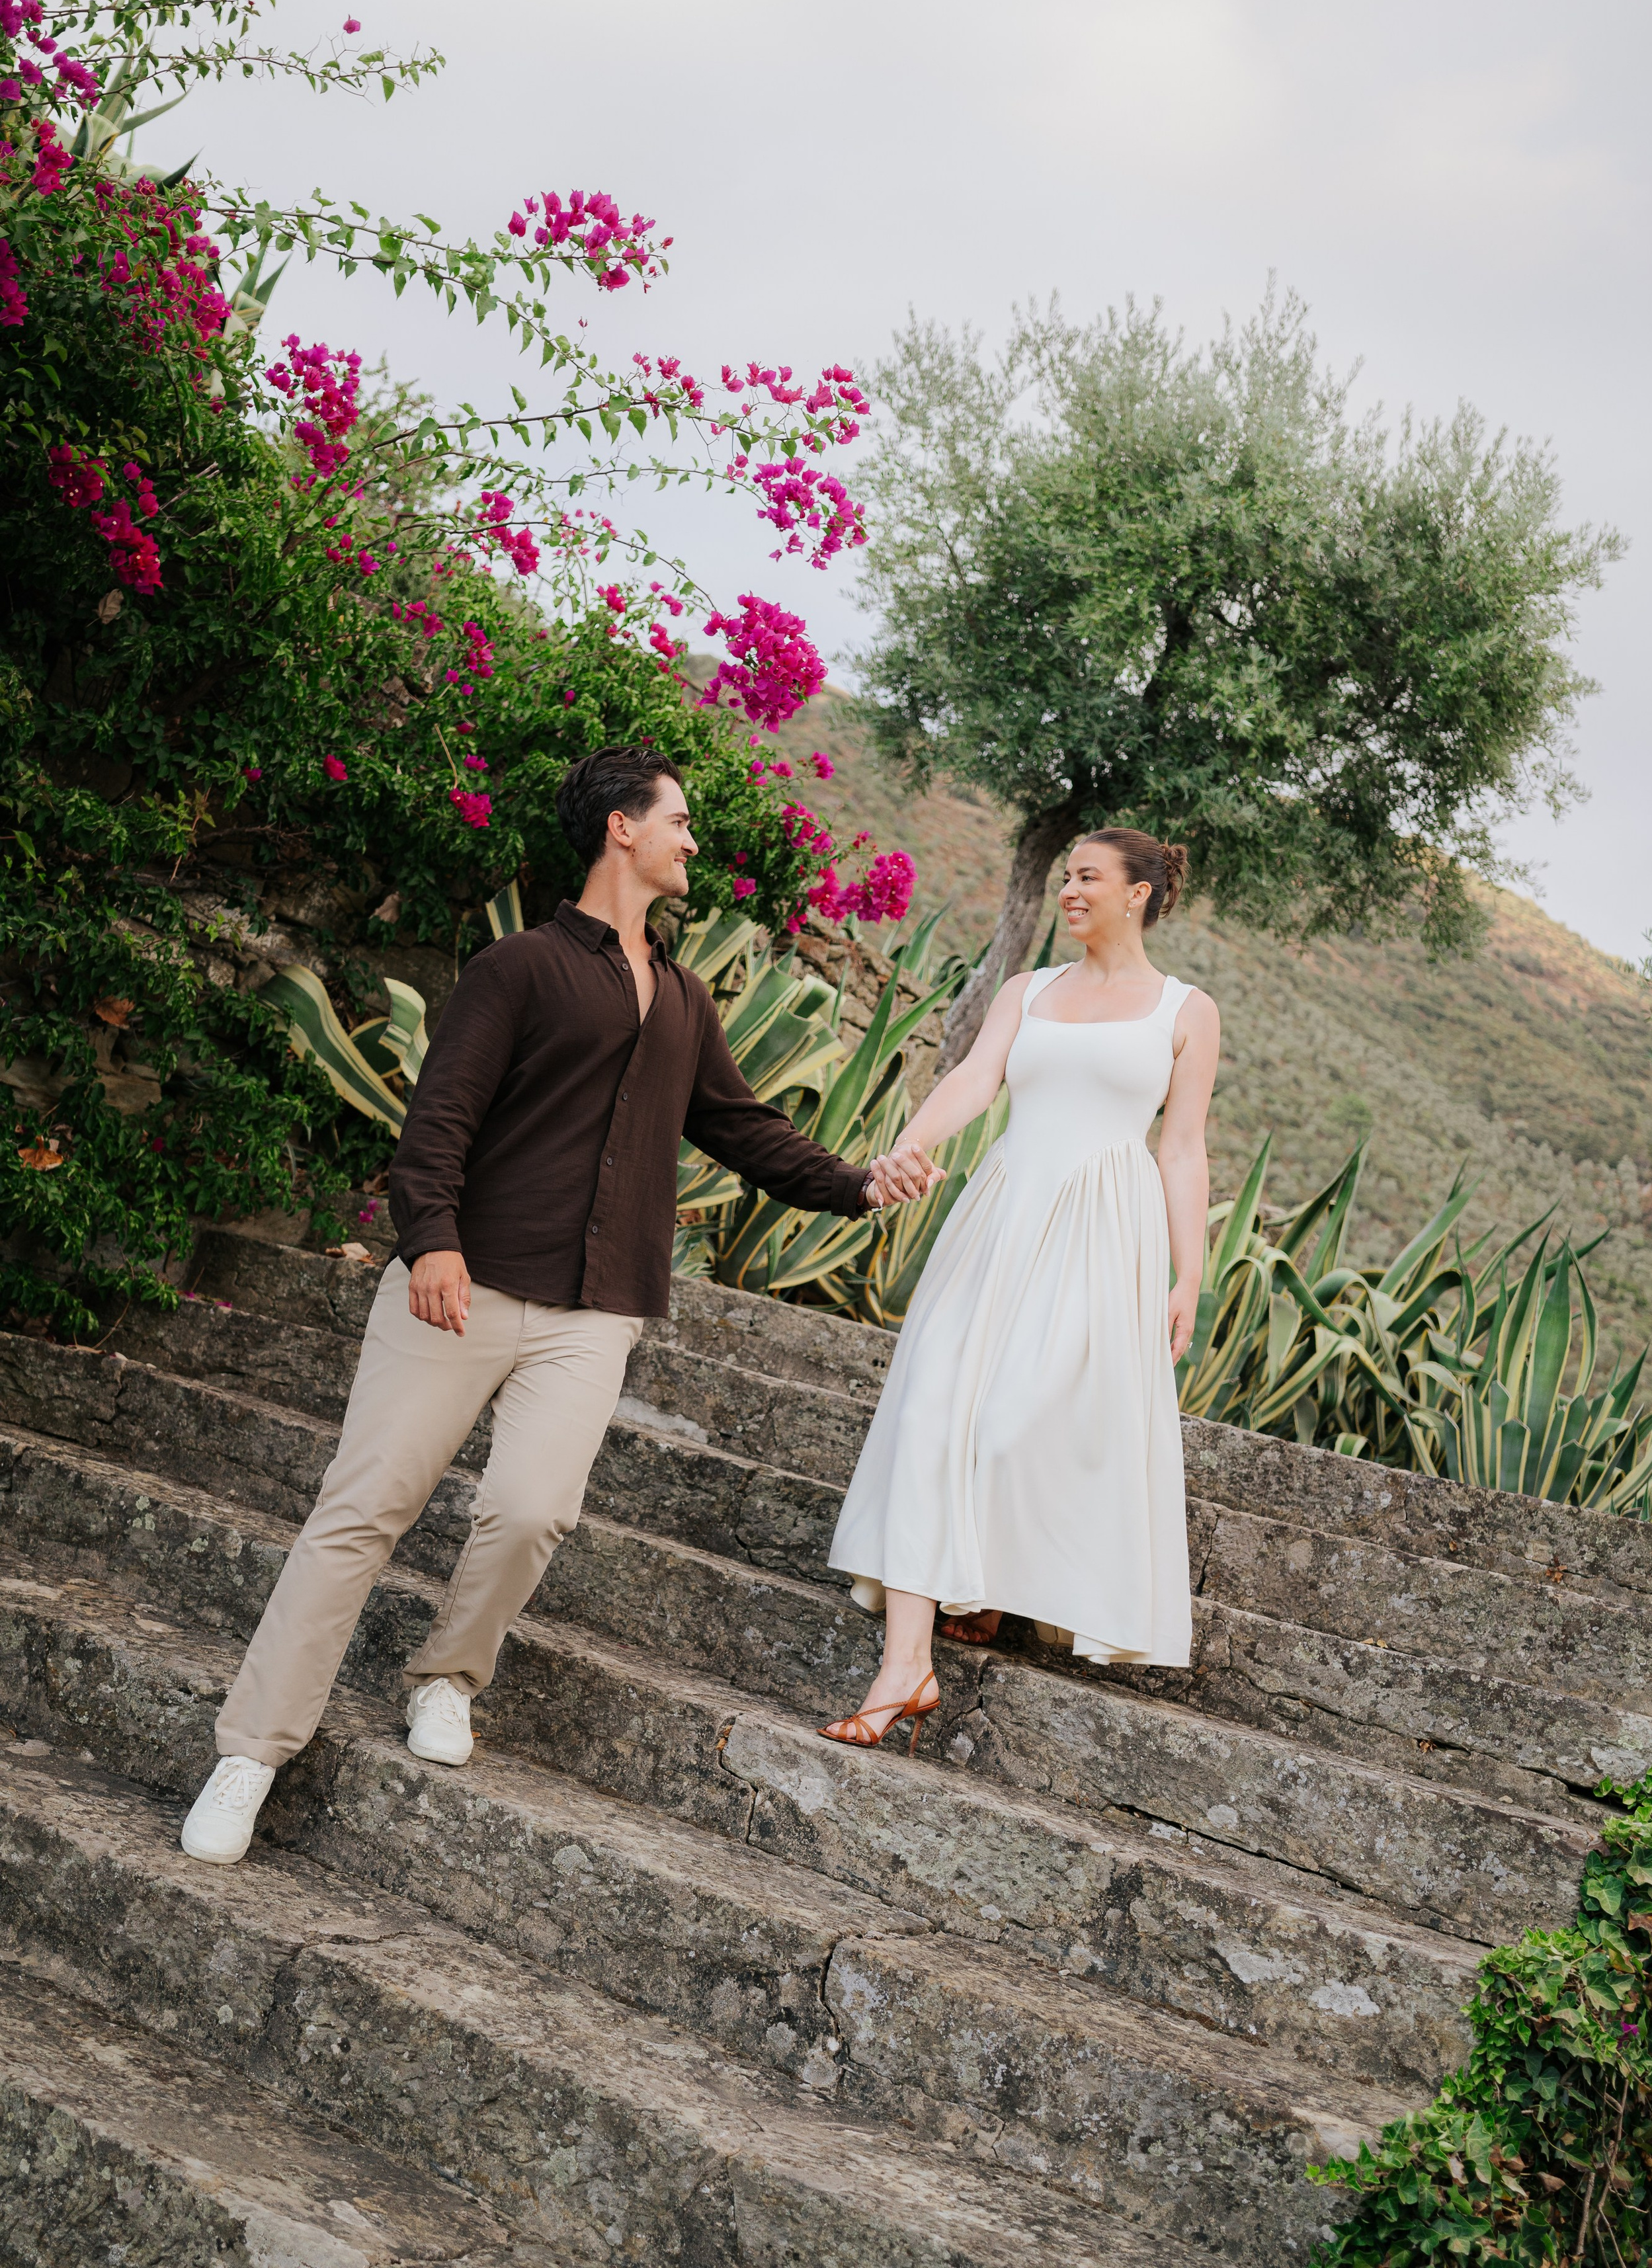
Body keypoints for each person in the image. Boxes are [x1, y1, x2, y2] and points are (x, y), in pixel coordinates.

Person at [181, 744, 923, 1863]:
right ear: (621, 828)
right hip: (462, 1289)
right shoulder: (517, 968)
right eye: (676, 820)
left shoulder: (681, 995)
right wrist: (430, 1239)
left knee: (534, 1512)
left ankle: (446, 1676)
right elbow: (440, 1118)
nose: (690, 838)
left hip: (595, 1310)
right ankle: (250, 1753)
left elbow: (742, 1125)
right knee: (361, 1515)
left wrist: (858, 1183)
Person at [819, 829, 1219, 1753]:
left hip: (1103, 1228)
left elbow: (1183, 1147)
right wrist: (912, 1144)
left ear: (1141, 894)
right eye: (1065, 876)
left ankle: (989, 1594)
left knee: (1008, 1428)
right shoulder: (1026, 991)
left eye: (1089, 878)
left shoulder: (1186, 1011)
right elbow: (975, 1076)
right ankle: (904, 1665)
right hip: (1001, 1214)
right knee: (928, 1414)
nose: (1070, 891)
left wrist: (1186, 1273)